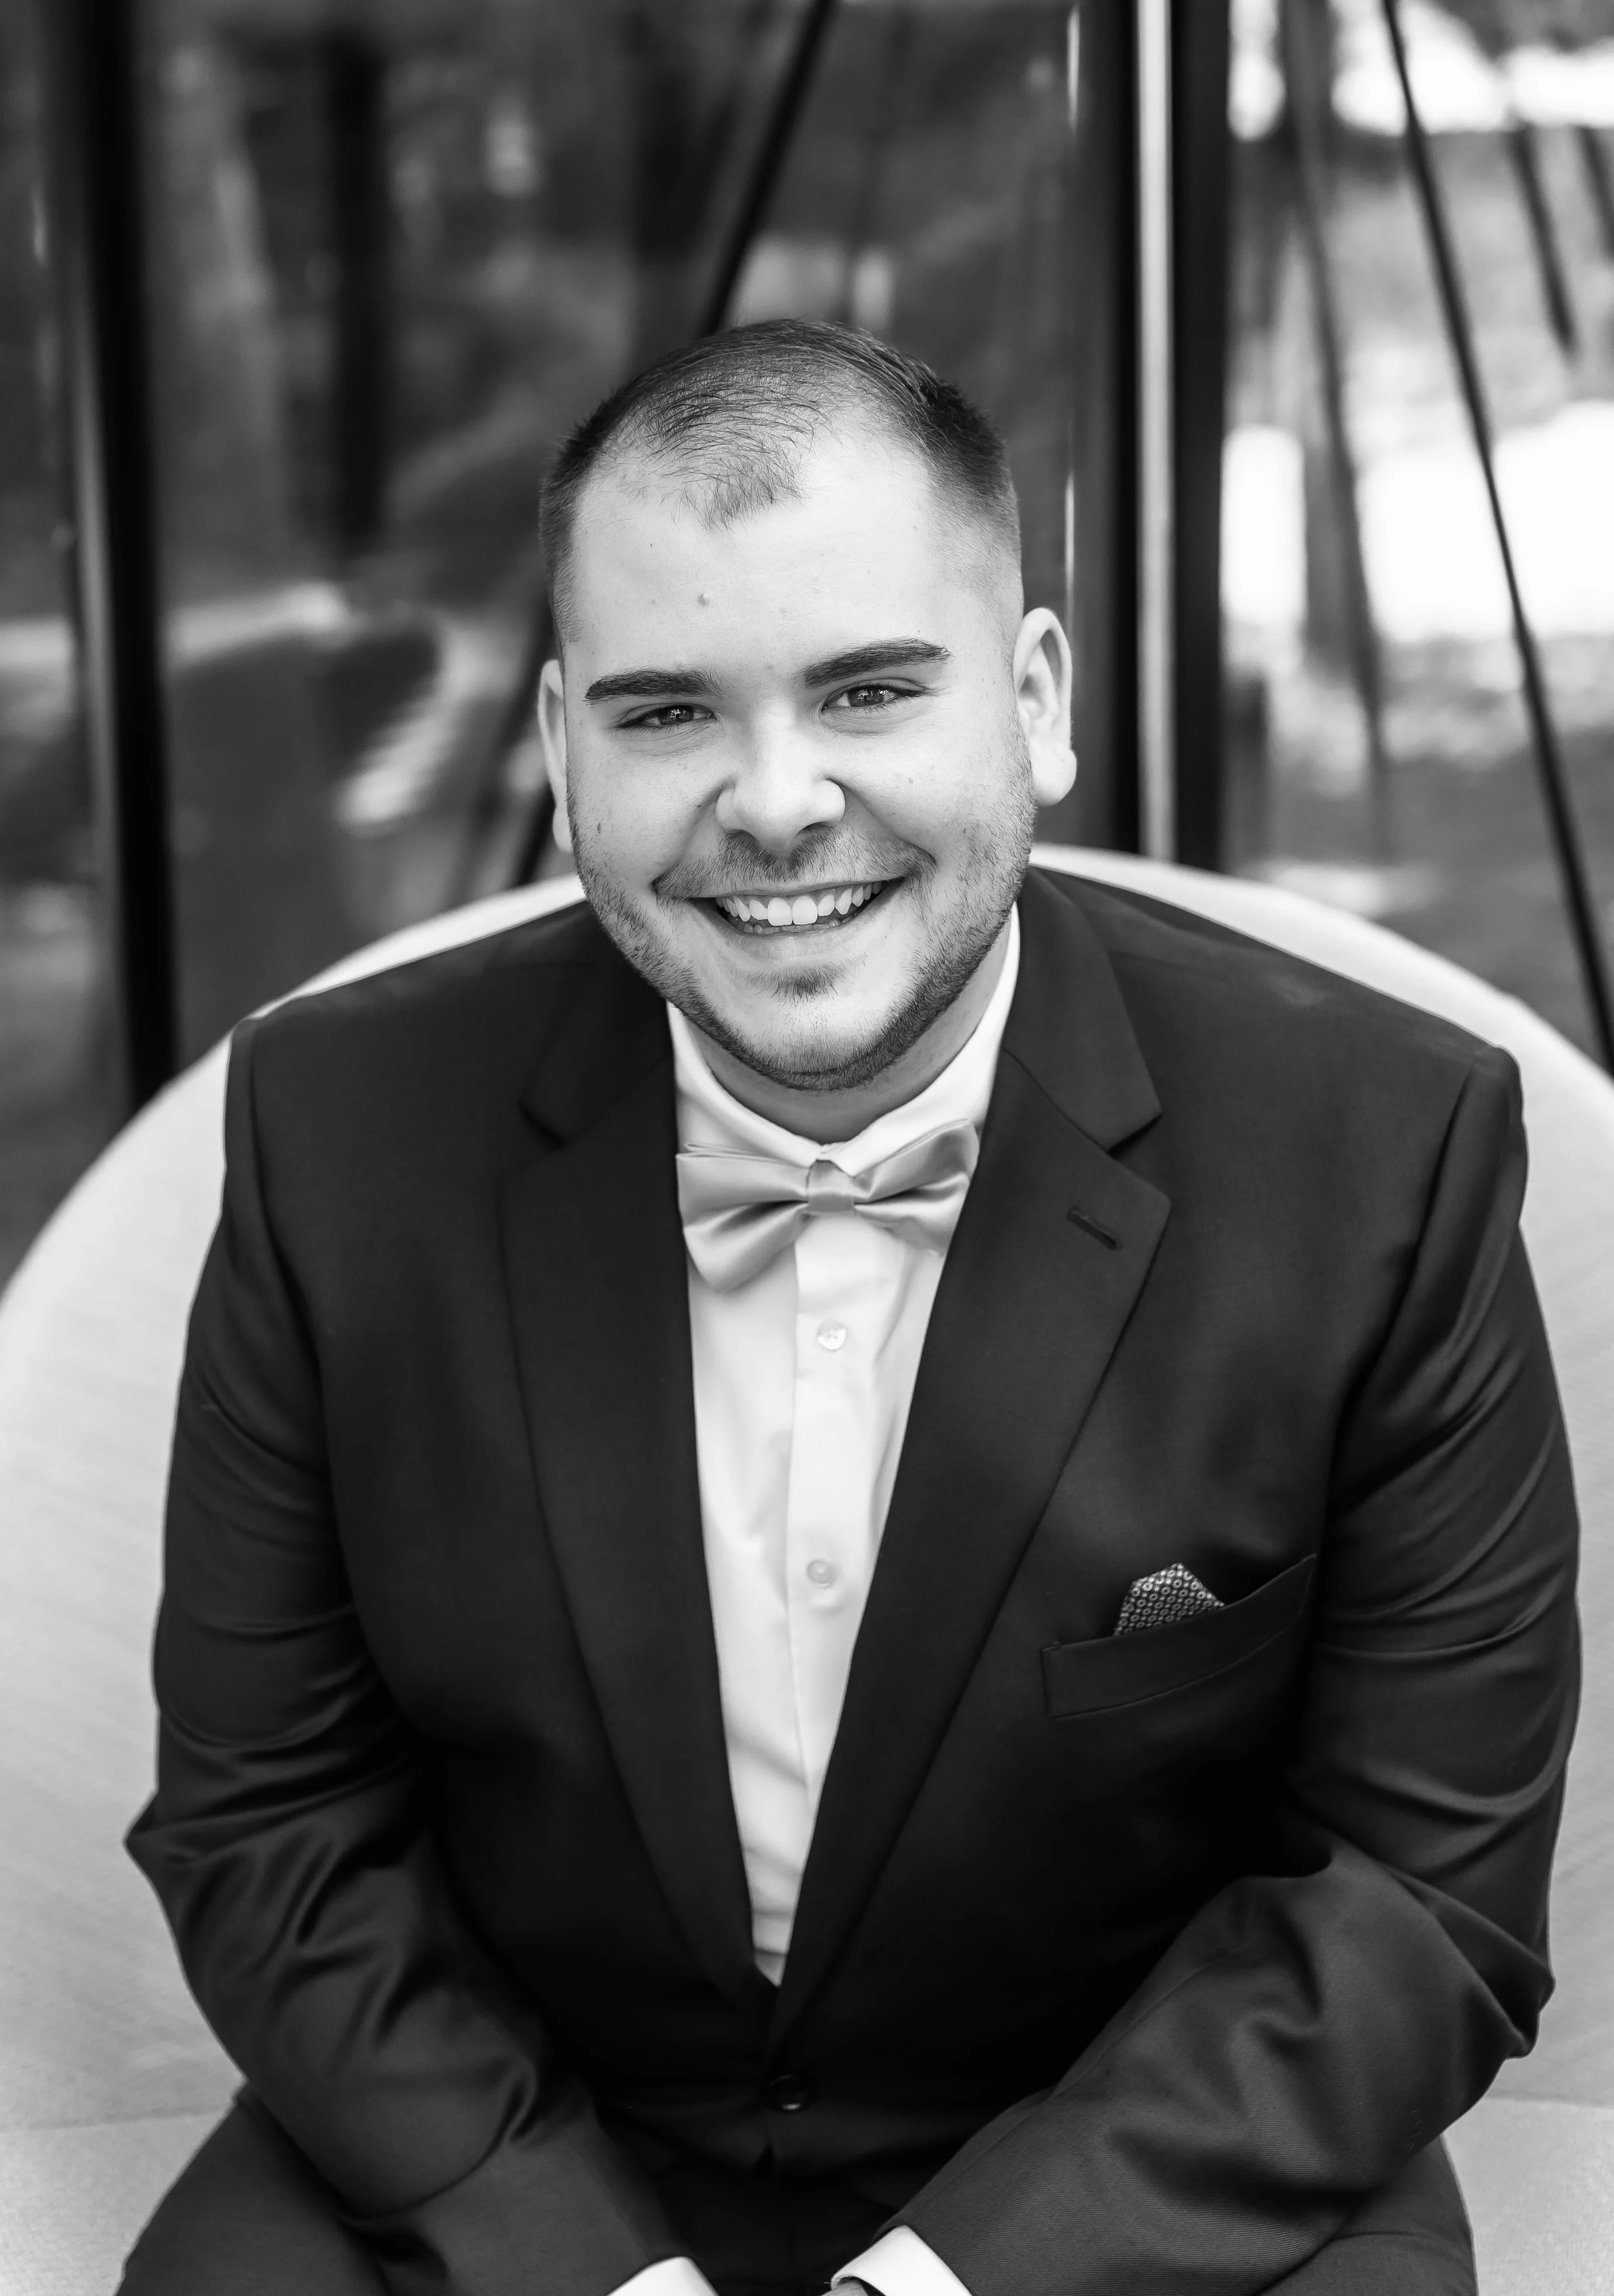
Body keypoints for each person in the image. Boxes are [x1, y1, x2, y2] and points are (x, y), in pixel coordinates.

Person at [122, 321, 1578, 2296]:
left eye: (870, 687)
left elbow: (1415, 1897)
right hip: (504, 2149)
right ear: (560, 752)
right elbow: (267, 1817)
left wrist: (949, 2284)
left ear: (1036, 701)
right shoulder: (332, 1126)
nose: (774, 801)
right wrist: (583, 2267)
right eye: (664, 713)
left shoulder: (1386, 1149)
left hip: (1133, 2170)